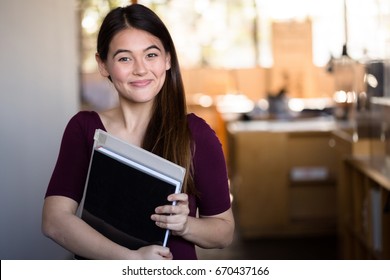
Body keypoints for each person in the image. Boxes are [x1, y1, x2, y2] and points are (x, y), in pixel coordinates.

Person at [42, 3, 234, 260]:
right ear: (103, 65)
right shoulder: (84, 128)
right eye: (124, 58)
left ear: (167, 59)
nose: (140, 69)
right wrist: (133, 261)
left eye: (151, 55)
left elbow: (224, 232)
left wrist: (186, 224)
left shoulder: (196, 134)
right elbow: (54, 220)